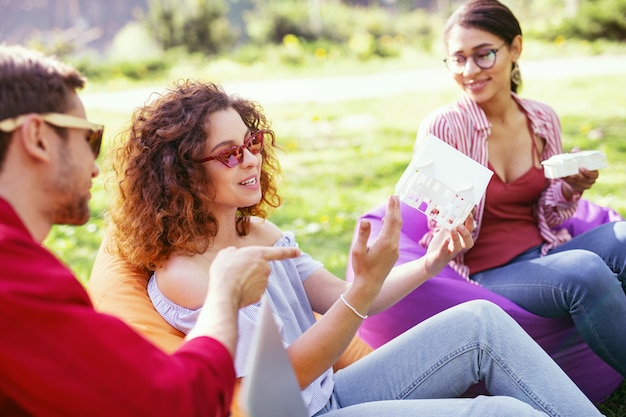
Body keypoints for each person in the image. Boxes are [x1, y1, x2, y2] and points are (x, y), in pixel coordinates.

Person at [103, 78, 604, 416]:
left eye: (251, 142)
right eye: (229, 154)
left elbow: (345, 294)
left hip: (333, 393)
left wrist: (431, 263)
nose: (249, 160)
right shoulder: (187, 276)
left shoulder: (256, 232)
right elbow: (285, 377)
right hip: (304, 411)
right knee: (502, 413)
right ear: (184, 172)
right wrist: (361, 292)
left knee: (481, 321)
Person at [0, 44, 301, 417]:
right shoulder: (13, 277)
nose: (95, 169)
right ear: (38, 138)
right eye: (88, 138)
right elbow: (175, 402)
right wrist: (226, 293)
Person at [414, 0, 626, 378]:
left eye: (484, 55)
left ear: (515, 48)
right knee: (586, 270)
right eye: (458, 59)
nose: (469, 71)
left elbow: (550, 212)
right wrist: (451, 215)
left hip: (547, 248)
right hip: (489, 270)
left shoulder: (541, 118)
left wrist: (571, 188)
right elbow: (439, 232)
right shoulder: (444, 127)